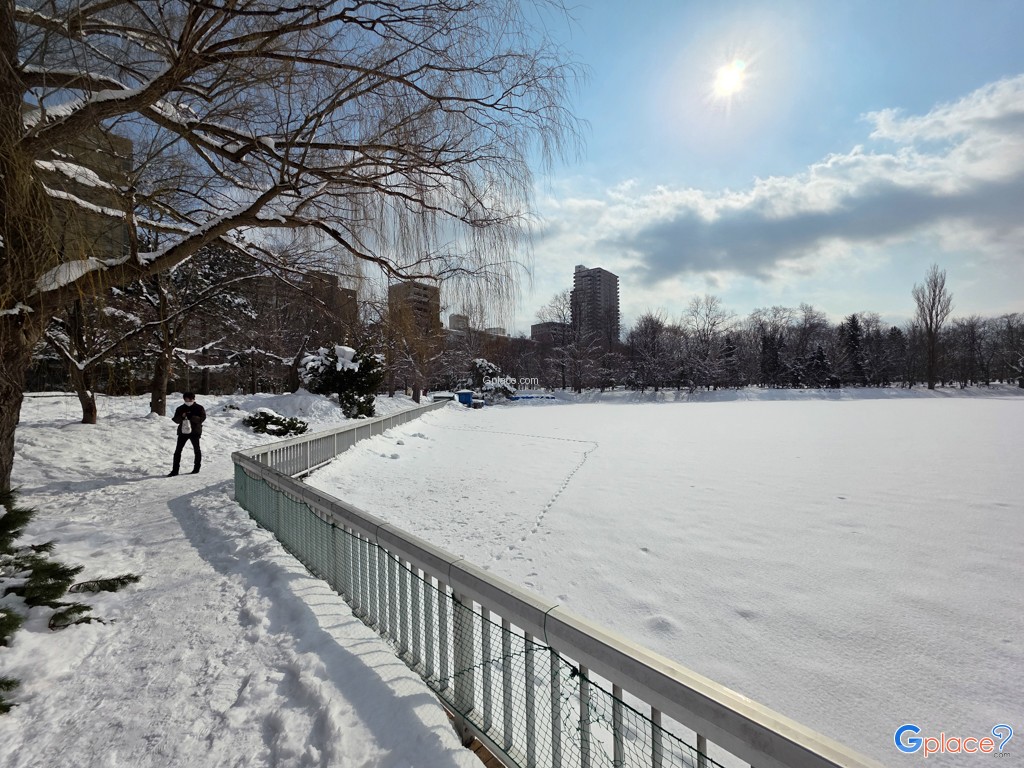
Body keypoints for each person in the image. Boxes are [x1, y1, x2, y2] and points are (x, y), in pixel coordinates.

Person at [168, 392, 207, 476]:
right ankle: (175, 470)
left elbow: (202, 419)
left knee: (197, 450)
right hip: (182, 432)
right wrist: (182, 417)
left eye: (189, 399)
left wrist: (191, 417)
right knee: (178, 451)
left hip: (195, 431)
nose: (187, 401)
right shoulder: (180, 408)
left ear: (193, 399)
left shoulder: (199, 408)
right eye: (186, 399)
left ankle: (196, 468)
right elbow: (175, 420)